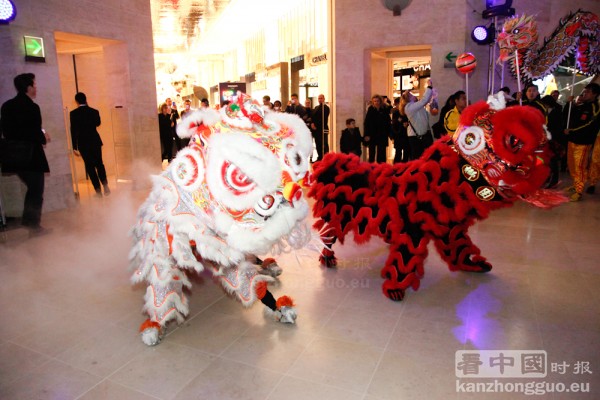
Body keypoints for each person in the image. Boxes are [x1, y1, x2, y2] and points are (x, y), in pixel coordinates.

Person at [0, 73, 51, 235]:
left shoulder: (7, 106)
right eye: (34, 85)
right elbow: (34, 132)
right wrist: (44, 136)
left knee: (32, 189)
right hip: (31, 156)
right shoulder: (32, 107)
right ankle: (32, 225)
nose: (36, 88)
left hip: (14, 156)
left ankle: (30, 223)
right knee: (36, 191)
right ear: (28, 88)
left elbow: (7, 131)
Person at [563, 83, 600, 201]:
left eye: (588, 92)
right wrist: (570, 104)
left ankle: (579, 191)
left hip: (583, 143)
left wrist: (572, 131)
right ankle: (575, 185)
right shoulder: (581, 105)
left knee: (580, 167)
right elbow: (568, 117)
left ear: (595, 94)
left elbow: (590, 125)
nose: (585, 93)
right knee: (572, 166)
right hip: (572, 140)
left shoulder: (595, 108)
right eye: (585, 91)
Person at [70, 92, 110, 197]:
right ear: (85, 99)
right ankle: (106, 186)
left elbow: (73, 130)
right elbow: (98, 123)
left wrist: (74, 146)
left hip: (83, 143)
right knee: (99, 164)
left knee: (90, 167)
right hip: (95, 141)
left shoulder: (73, 113)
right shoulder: (94, 111)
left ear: (76, 101)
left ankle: (98, 191)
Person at [400, 78, 434, 160]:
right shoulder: (409, 107)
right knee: (417, 158)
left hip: (421, 135)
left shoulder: (414, 106)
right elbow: (424, 101)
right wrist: (429, 87)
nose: (414, 96)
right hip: (416, 137)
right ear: (409, 98)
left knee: (423, 157)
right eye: (411, 95)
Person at [540, 95, 566, 188]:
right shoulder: (545, 112)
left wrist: (550, 134)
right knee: (546, 160)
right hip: (546, 139)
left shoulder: (556, 112)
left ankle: (554, 180)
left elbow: (558, 127)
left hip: (554, 139)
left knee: (553, 161)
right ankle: (547, 177)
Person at [364, 94, 391, 163]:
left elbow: (388, 122)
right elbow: (367, 122)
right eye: (375, 101)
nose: (376, 103)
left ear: (380, 101)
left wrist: (390, 134)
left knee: (382, 152)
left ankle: (381, 167)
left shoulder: (384, 109)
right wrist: (366, 134)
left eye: (377, 101)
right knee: (371, 152)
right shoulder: (371, 109)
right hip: (372, 133)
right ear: (372, 102)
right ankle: (371, 167)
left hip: (382, 133)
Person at [311, 94, 330, 162]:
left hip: (322, 128)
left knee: (324, 144)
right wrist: (312, 124)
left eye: (321, 98)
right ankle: (320, 157)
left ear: (324, 99)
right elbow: (313, 117)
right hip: (316, 130)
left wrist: (316, 125)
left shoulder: (326, 108)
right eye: (319, 98)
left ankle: (326, 158)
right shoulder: (316, 107)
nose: (320, 100)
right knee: (317, 144)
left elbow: (323, 118)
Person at [391, 97, 410, 163]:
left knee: (406, 152)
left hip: (406, 134)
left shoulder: (407, 111)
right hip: (398, 135)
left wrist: (407, 123)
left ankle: (404, 167)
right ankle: (396, 168)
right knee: (398, 152)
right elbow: (394, 124)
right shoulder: (395, 112)